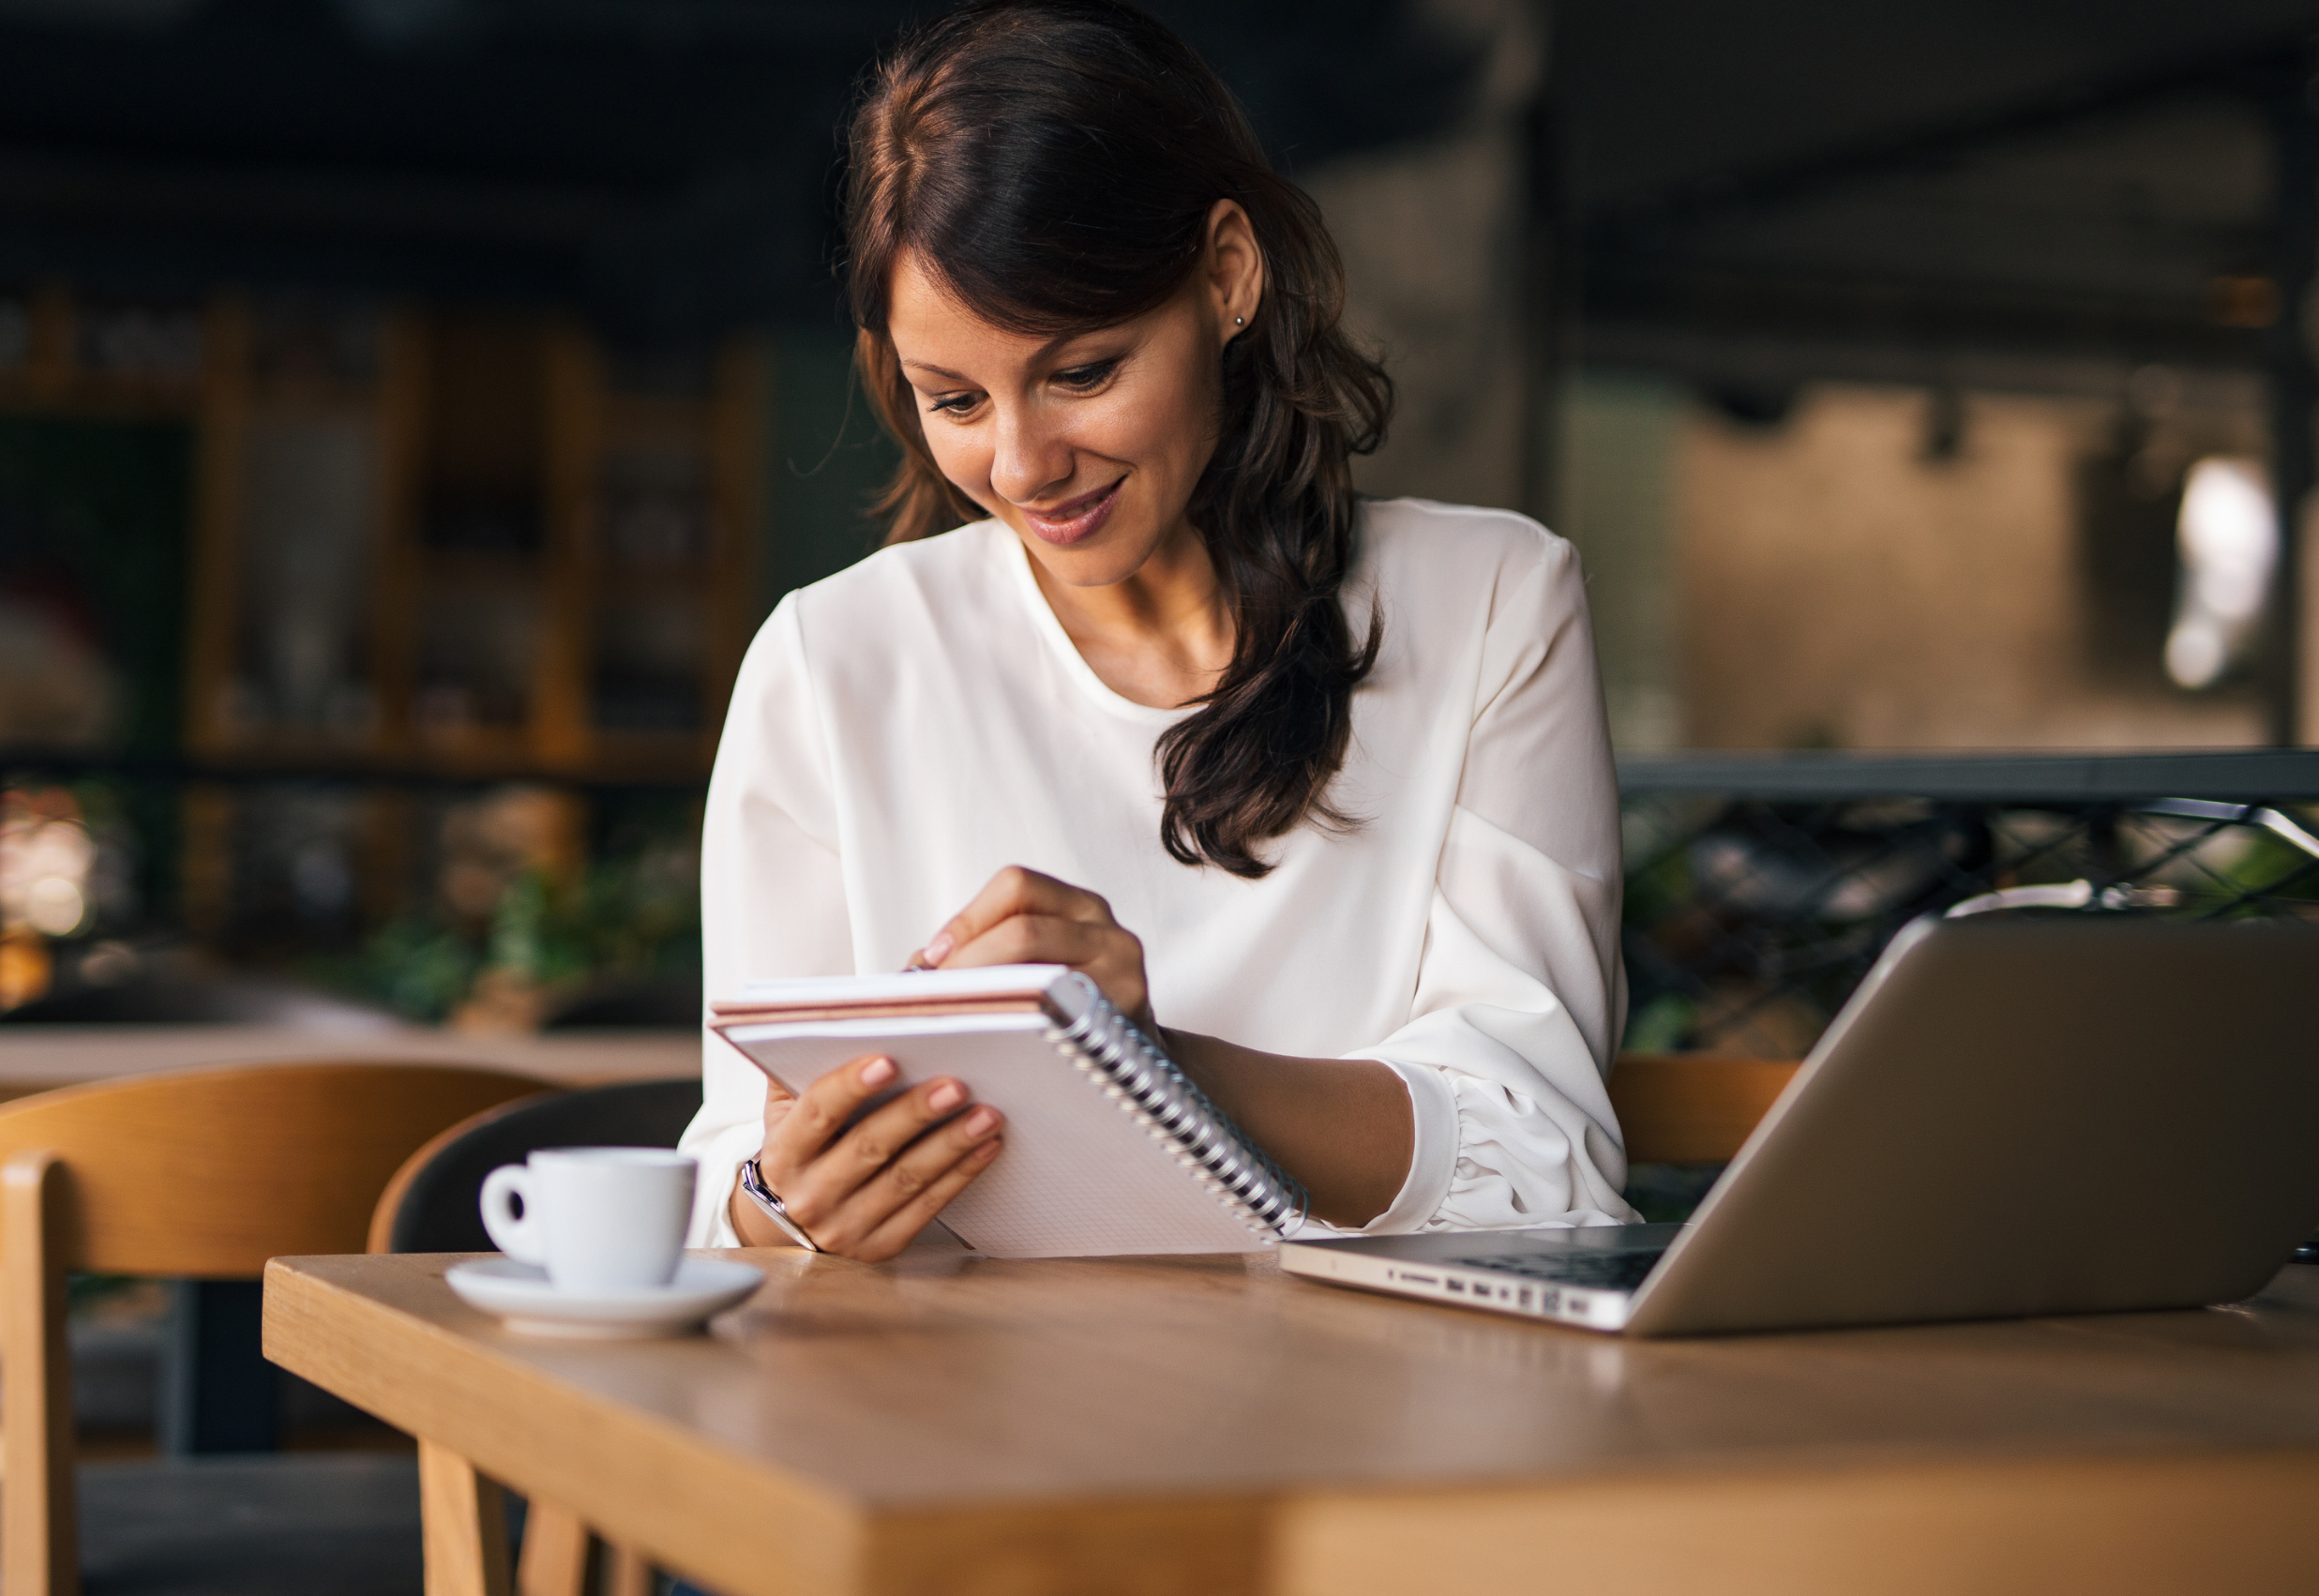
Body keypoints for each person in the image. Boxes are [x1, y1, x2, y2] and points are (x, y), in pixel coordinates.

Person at [681, 0, 1635, 1260]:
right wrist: (785, 1200)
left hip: (1361, 1418)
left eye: (1082, 372)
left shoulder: (1491, 603)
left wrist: (1144, 1064)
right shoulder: (832, 662)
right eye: (955, 398)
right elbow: (729, 1186)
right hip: (951, 1424)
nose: (1024, 464)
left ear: (1228, 275)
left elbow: (1547, 1157)